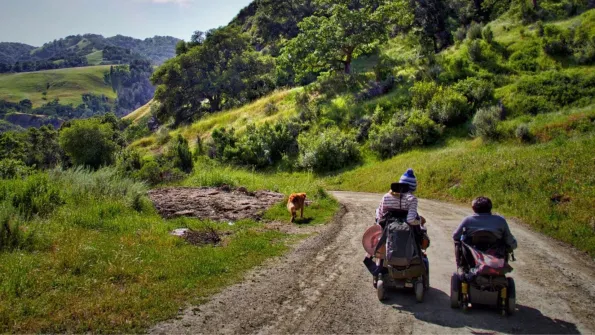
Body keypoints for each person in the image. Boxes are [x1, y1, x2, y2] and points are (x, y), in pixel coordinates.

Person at [452, 196, 517, 266]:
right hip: (496, 253)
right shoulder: (500, 220)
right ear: (490, 208)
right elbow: (508, 238)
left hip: (472, 255)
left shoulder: (468, 220)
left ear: (473, 208)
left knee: (459, 241)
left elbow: (456, 235)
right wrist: (513, 245)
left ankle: (461, 265)